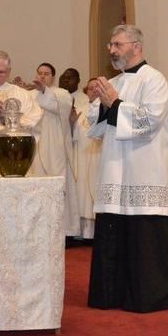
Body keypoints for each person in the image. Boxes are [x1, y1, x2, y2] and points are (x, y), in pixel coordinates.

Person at [86, 25, 168, 313]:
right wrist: (104, 105)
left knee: (145, 236)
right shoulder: (115, 81)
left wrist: (114, 102)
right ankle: (112, 295)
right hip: (116, 168)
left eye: (117, 44)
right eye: (110, 44)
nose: (112, 50)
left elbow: (149, 121)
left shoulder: (154, 80)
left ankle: (149, 296)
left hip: (145, 169)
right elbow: (95, 124)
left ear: (136, 46)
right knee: (115, 229)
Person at [30, 62, 81, 237]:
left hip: (56, 148)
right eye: (40, 73)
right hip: (35, 147)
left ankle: (62, 230)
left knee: (58, 187)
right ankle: (36, 229)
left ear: (52, 77)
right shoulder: (29, 95)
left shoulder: (62, 93)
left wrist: (44, 91)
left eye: (46, 73)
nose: (43, 76)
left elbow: (59, 107)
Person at [70, 78, 102, 241]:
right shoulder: (80, 109)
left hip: (99, 156)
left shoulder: (106, 108)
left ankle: (98, 233)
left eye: (97, 88)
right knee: (82, 192)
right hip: (81, 156)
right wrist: (70, 123)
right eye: (90, 88)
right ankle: (83, 233)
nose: (93, 91)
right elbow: (71, 136)